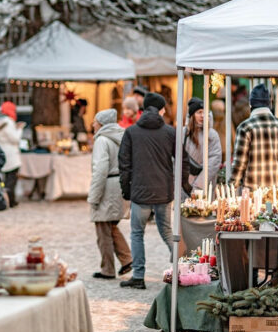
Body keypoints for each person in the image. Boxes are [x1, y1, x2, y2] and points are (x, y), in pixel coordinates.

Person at [118, 92, 190, 289]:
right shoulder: (170, 132)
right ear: (162, 110)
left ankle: (138, 276)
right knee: (167, 231)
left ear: (143, 109)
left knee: (136, 233)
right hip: (163, 191)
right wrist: (184, 185)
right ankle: (182, 268)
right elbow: (182, 160)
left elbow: (124, 164)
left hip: (140, 191)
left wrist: (126, 190)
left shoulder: (131, 132)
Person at [88, 109, 132, 279]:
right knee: (110, 226)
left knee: (102, 229)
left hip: (107, 186)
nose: (92, 124)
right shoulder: (121, 136)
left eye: (95, 121)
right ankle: (127, 259)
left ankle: (107, 269)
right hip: (119, 184)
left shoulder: (102, 140)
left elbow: (100, 170)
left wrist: (94, 197)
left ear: (102, 123)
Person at [231, 84, 278, 190]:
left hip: (253, 195)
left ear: (251, 104)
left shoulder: (245, 128)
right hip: (277, 194)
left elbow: (239, 164)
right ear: (269, 104)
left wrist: (231, 188)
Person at [0, 101, 23, 208]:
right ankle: (10, 200)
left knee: (2, 180)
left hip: (1, 152)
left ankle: (3, 199)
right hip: (12, 155)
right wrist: (20, 129)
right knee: (11, 180)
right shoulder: (8, 122)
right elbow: (15, 139)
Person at [184, 97, 222, 191]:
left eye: (204, 112)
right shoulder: (183, 133)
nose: (202, 116)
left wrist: (198, 185)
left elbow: (214, 161)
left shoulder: (212, 135)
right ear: (192, 115)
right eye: (199, 112)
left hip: (204, 186)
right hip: (184, 185)